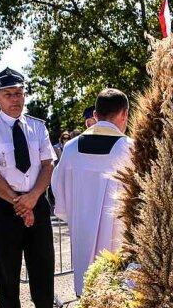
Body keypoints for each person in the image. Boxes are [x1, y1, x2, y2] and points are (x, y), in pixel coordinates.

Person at [0, 67, 56, 308]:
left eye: (19, 93)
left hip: (37, 201)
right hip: (5, 206)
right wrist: (20, 203)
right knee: (7, 266)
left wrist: (32, 199)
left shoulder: (37, 127)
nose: (15, 99)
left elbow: (47, 165)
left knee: (42, 263)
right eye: (8, 94)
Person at [52, 89, 133, 296]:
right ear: (124, 114)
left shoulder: (70, 149)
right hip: (119, 236)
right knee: (118, 291)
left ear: (95, 115)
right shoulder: (130, 149)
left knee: (87, 290)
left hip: (81, 232)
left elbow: (58, 190)